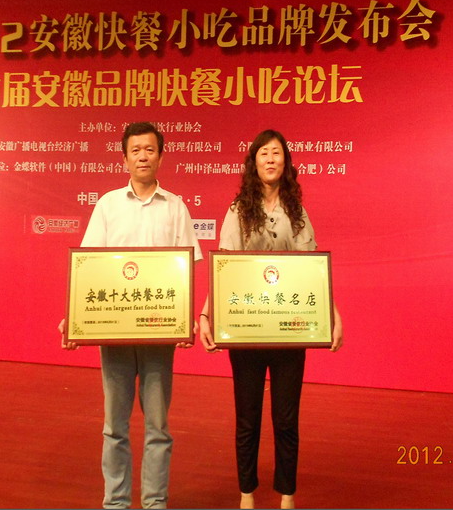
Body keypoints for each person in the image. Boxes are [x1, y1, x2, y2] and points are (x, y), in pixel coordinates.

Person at [196, 129, 343, 510]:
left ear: (286, 162)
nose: (271, 159)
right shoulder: (237, 210)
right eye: (264, 153)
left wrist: (333, 314)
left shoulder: (297, 211)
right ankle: (246, 493)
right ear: (254, 162)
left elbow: (313, 269)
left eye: (277, 153)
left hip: (288, 329)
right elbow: (224, 268)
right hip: (246, 327)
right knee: (247, 418)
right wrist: (206, 314)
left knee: (286, 419)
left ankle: (287, 494)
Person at [61, 121, 202, 509]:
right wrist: (74, 317)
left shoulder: (175, 207)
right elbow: (89, 267)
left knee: (158, 426)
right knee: (114, 426)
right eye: (135, 150)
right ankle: (116, 502)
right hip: (115, 332)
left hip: (159, 332)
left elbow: (185, 269)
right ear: (124, 158)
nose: (143, 156)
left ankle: (155, 502)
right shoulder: (107, 205)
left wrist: (185, 317)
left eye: (150, 149)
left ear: (160, 156)